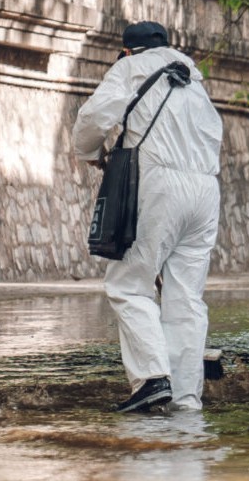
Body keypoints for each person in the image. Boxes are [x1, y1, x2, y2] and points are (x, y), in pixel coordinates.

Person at [71, 21, 223, 413]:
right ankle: (187, 398)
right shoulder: (193, 80)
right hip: (206, 191)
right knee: (186, 297)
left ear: (127, 50)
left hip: (159, 184)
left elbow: (94, 119)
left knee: (129, 284)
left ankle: (152, 378)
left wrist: (89, 153)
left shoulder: (129, 67)